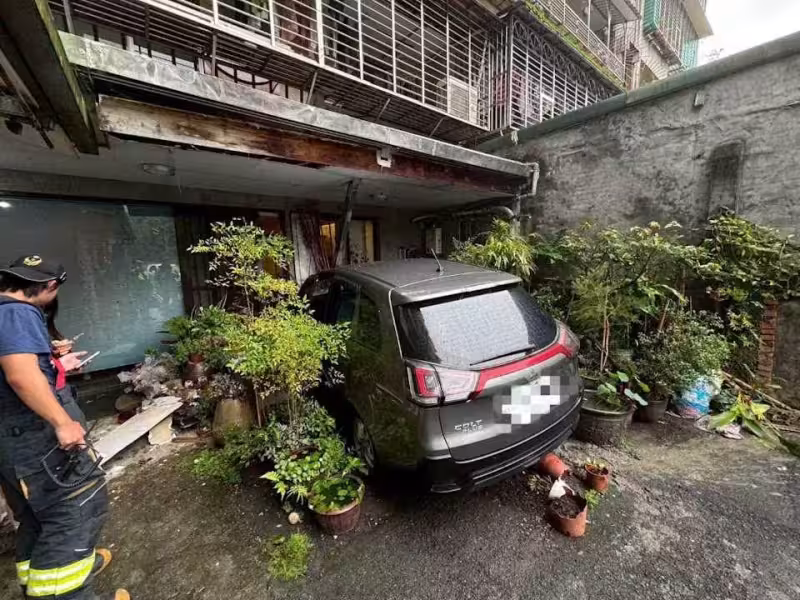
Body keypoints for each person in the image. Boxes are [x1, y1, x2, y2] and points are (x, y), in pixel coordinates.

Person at [0, 255, 129, 600]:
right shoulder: (18, 313)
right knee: (74, 512)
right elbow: (20, 375)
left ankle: (40, 582)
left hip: (10, 444)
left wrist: (56, 365)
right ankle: (64, 587)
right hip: (34, 441)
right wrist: (62, 421)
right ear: (51, 286)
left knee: (34, 517)